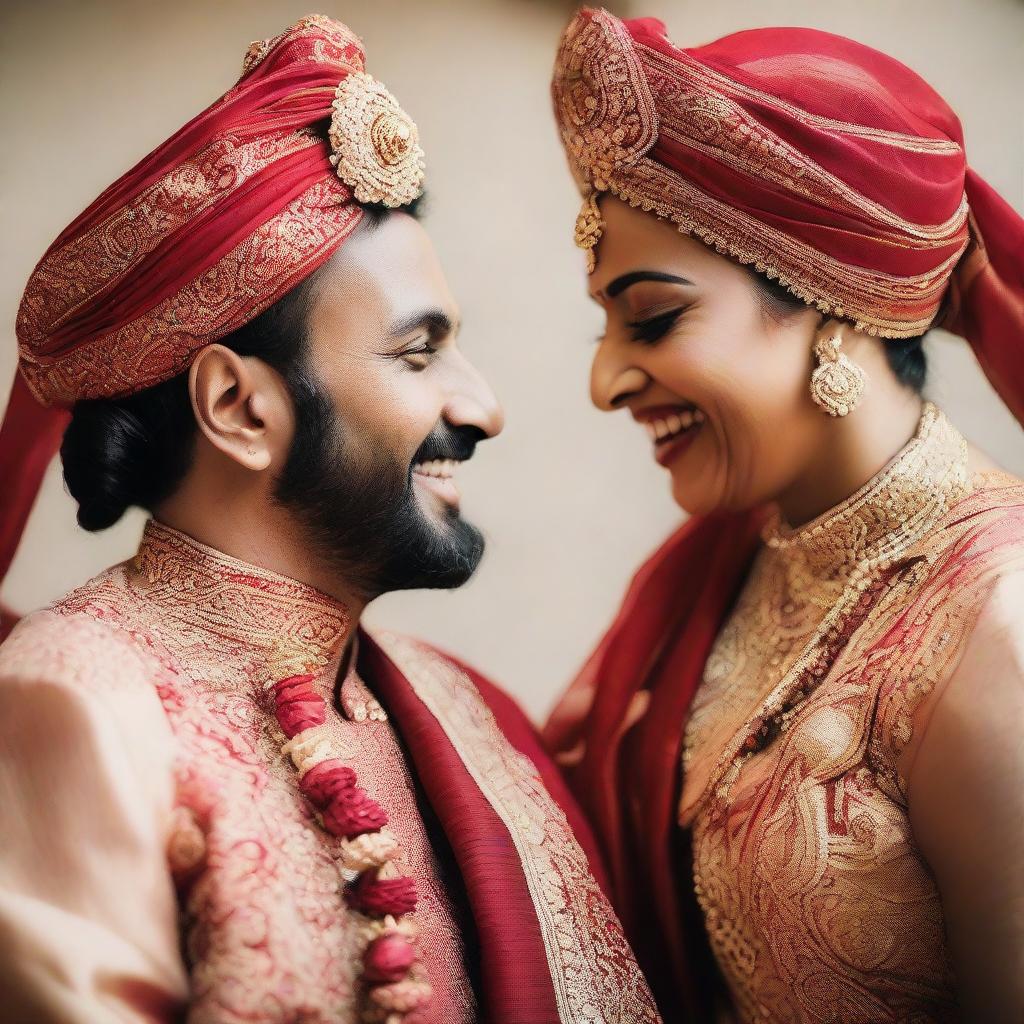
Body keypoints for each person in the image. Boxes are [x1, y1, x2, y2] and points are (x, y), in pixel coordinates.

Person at [0, 15, 661, 1024]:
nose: (483, 408)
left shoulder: (456, 706)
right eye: (416, 353)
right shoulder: (77, 702)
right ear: (238, 408)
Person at [544, 8, 1024, 1023]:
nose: (605, 379)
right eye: (604, 324)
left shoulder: (999, 622)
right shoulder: (738, 564)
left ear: (833, 301)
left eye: (653, 317)